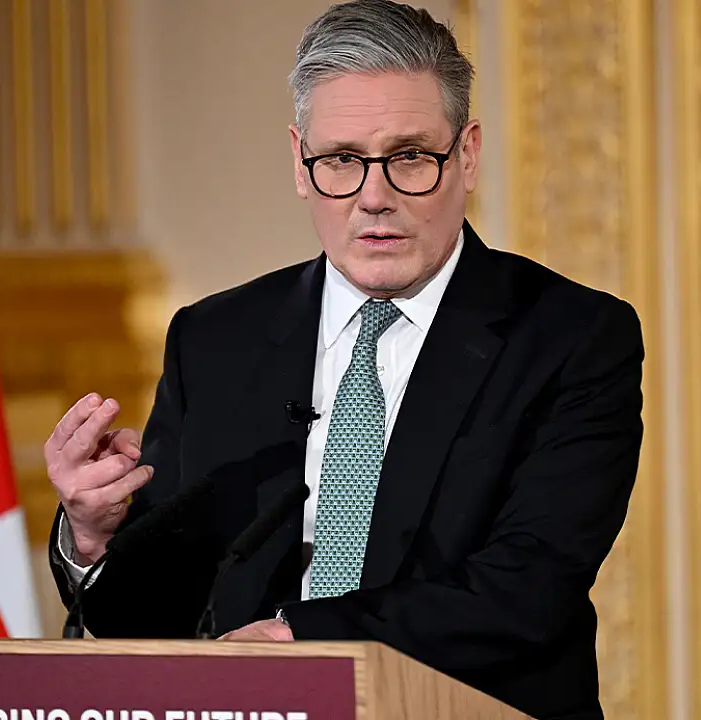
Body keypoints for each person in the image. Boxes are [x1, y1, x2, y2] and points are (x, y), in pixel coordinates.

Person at [44, 1, 642, 717]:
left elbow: (529, 588)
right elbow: (156, 618)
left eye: (410, 157)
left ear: (469, 154)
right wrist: (93, 536)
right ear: (300, 163)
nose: (374, 197)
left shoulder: (571, 337)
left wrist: (302, 639)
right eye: (341, 161)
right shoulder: (215, 339)